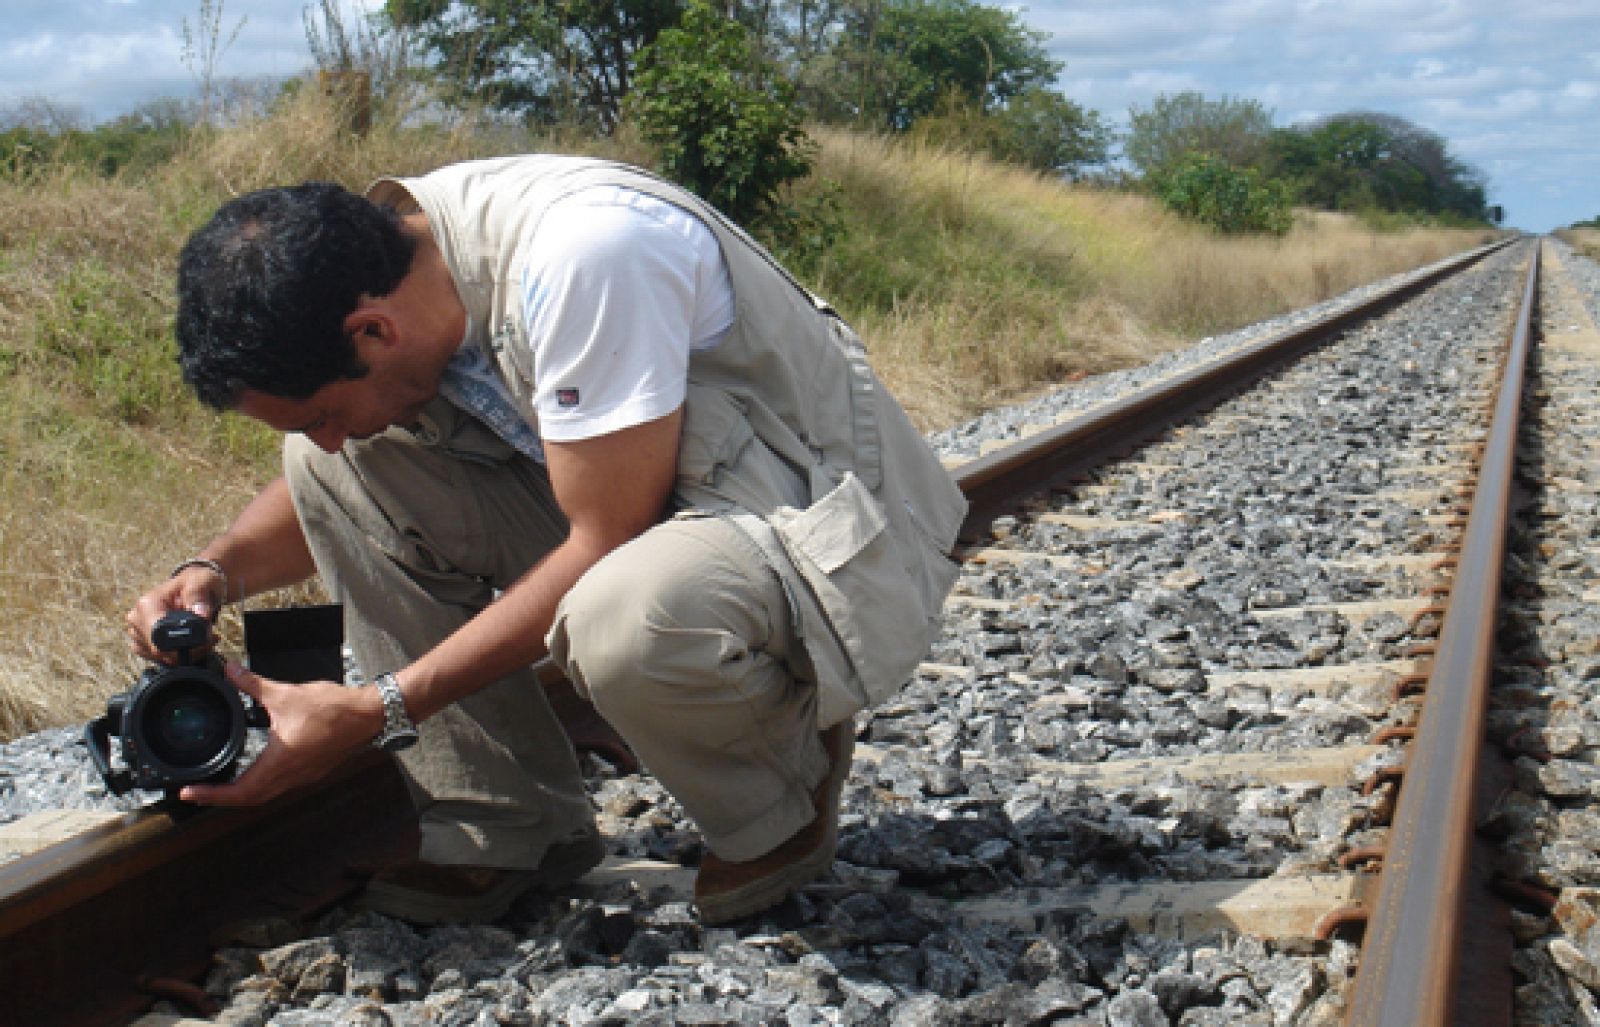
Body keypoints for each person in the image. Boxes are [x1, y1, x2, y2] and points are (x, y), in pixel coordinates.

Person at [125, 154, 966, 925]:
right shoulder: (411, 265)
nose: (333, 435)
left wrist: (381, 708)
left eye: (324, 412)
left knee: (620, 619)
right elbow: (334, 482)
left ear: (373, 331)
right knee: (323, 471)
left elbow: (604, 538)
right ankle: (506, 820)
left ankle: (780, 790)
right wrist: (212, 571)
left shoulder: (585, 255)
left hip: (817, 522)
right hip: (660, 494)